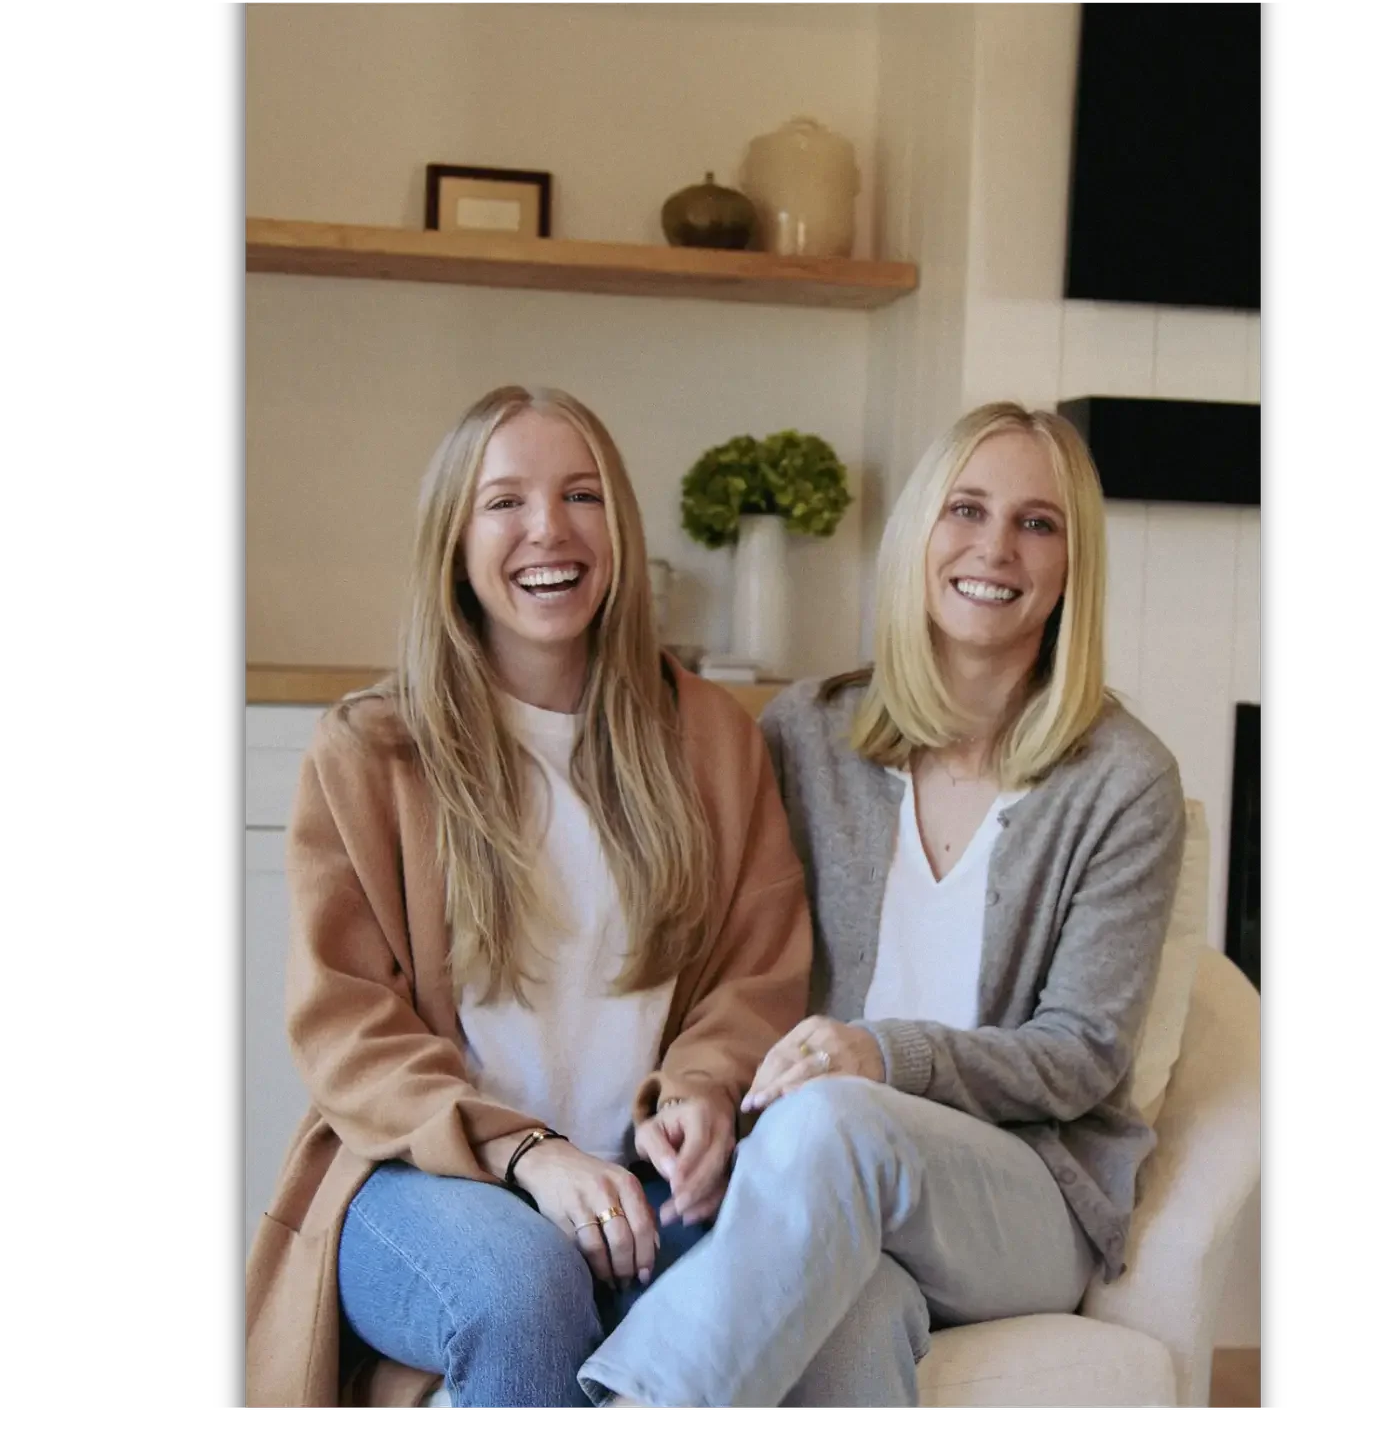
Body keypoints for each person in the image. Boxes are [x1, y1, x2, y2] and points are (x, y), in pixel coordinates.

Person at [576, 401, 1187, 1408]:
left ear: (1074, 564)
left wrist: (882, 1055)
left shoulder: (1123, 781)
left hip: (1022, 1199)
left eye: (1039, 524)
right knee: (849, 1326)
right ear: (917, 536)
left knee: (838, 1122)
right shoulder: (808, 734)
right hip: (821, 1187)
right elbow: (735, 961)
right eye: (968, 510)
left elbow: (1083, 1052)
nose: (996, 547)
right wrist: (696, 1095)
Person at [244, 385, 812, 1409]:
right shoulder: (369, 751)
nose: (548, 529)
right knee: (528, 1286)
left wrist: (700, 1092)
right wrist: (530, 1157)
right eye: (504, 502)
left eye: (581, 495)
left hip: (642, 1179)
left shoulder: (713, 738)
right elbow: (348, 1031)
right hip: (420, 1177)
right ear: (453, 540)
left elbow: (756, 970)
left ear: (621, 530)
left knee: (784, 1272)